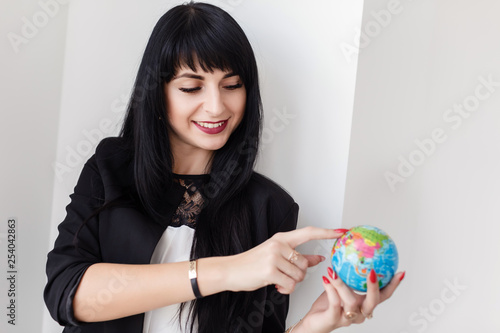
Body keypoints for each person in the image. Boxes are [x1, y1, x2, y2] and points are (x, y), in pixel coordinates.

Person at [44, 2, 404, 332]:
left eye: (232, 85)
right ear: (157, 92)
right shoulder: (110, 169)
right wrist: (230, 270)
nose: (216, 107)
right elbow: (66, 292)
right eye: (191, 88)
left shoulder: (270, 209)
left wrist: (314, 324)